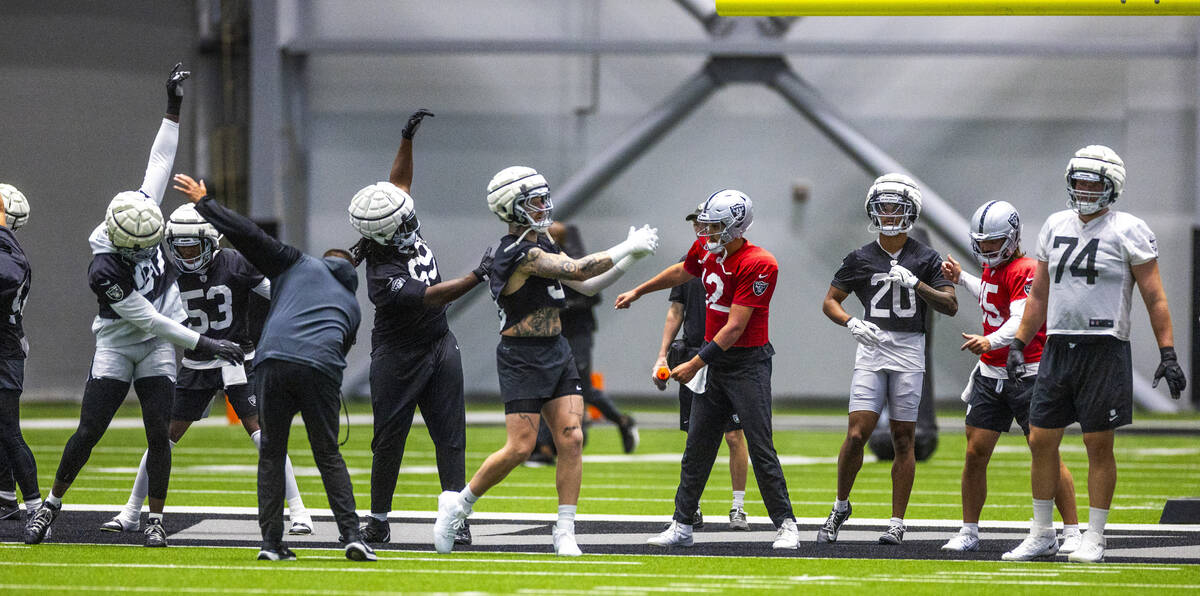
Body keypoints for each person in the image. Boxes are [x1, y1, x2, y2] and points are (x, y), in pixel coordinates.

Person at [25, 64, 247, 548]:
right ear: (120, 240)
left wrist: (173, 106)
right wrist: (209, 342)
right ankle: (51, 505)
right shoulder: (104, 269)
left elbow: (160, 162)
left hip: (157, 347)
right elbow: (147, 319)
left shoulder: (139, 213)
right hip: (122, 344)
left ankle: (155, 518)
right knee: (89, 430)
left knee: (157, 434)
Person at [432, 165, 658, 557]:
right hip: (522, 358)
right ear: (511, 208)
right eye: (533, 200)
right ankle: (459, 504)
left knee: (572, 438)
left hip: (557, 350)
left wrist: (630, 259)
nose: (543, 205)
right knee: (520, 448)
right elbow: (578, 268)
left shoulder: (542, 242)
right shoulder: (517, 252)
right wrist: (625, 247)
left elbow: (585, 285)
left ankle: (565, 530)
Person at [172, 173, 375, 563]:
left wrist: (205, 204)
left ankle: (272, 543)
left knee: (271, 452)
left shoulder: (297, 264)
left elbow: (249, 235)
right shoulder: (351, 304)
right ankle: (351, 536)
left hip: (272, 362)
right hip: (320, 369)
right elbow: (341, 347)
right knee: (328, 453)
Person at [1002, 145, 1186, 563]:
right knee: (1041, 441)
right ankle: (1042, 532)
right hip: (1057, 345)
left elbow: (1154, 297)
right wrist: (1019, 342)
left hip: (1104, 348)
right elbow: (1040, 294)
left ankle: (1096, 536)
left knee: (1096, 443)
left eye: (1093, 182)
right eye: (1079, 181)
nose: (1084, 189)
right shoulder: (1054, 225)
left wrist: (1168, 352)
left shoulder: (1129, 229)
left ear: (1112, 186)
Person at [98, 203, 314, 536]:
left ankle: (299, 512)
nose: (184, 253)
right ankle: (130, 512)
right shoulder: (168, 272)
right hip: (196, 362)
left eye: (191, 245)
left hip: (237, 360)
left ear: (211, 241)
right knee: (162, 439)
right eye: (179, 245)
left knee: (264, 437)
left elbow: (279, 292)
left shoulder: (235, 263)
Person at [616, 189, 801, 551]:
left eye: (715, 227)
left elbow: (735, 328)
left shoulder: (760, 263)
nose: (707, 233)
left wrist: (695, 362)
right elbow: (682, 271)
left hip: (747, 364)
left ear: (736, 227)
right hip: (713, 361)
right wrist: (640, 290)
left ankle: (786, 524)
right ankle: (682, 523)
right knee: (697, 446)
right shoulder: (705, 249)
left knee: (761, 446)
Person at [346, 109, 491, 546]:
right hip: (399, 354)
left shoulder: (392, 221)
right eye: (403, 223)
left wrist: (405, 139)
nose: (412, 222)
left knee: (451, 437)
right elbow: (433, 295)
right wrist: (477, 276)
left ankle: (455, 517)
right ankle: (378, 519)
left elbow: (400, 186)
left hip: (439, 343)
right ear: (385, 234)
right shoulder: (381, 274)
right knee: (388, 439)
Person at [819, 173, 957, 545]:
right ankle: (840, 504)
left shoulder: (925, 258)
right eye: (884, 205)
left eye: (897, 205)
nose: (889, 212)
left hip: (910, 347)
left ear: (910, 210)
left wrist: (917, 284)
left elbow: (950, 305)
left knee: (903, 437)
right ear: (872, 208)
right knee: (856, 433)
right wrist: (852, 323)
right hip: (873, 345)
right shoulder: (860, 257)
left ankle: (897, 521)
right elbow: (830, 301)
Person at [938, 200, 1080, 553]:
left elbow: (1020, 320)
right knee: (975, 452)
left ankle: (1073, 531)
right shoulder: (994, 269)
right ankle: (969, 530)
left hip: (1028, 372)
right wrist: (963, 279)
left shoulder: (1026, 268)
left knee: (1044, 450)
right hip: (991, 374)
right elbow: (991, 297)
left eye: (992, 242)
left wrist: (989, 339)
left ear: (1012, 238)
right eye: (981, 242)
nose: (985, 248)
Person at [651, 202, 750, 531]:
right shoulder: (689, 263)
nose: (700, 229)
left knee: (735, 436)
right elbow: (675, 312)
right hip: (693, 355)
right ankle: (689, 508)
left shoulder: (738, 261)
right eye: (697, 223)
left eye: (705, 223)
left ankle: (738, 507)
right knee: (696, 439)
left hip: (727, 356)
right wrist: (662, 355)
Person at [528, 221, 640, 464]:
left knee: (581, 386)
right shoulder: (540, 260)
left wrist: (562, 306)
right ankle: (546, 446)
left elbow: (592, 293)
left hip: (578, 330)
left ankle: (618, 421)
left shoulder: (575, 262)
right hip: (554, 332)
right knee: (552, 384)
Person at [0, 184, 36, 526]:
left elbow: (7, 276)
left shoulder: (11, 258)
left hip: (6, 351)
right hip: (8, 347)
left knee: (9, 431)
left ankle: (36, 506)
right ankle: (7, 499)